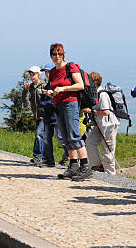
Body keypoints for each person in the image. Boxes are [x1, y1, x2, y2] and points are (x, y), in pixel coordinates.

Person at [45, 43, 92, 181]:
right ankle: (73, 167)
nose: (57, 56)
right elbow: (54, 87)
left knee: (74, 135)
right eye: (54, 54)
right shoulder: (53, 72)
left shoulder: (70, 67)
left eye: (59, 54)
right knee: (65, 137)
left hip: (71, 103)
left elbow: (80, 85)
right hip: (58, 104)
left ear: (63, 54)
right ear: (51, 56)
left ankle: (85, 166)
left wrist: (63, 89)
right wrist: (51, 92)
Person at [84, 72, 120, 174]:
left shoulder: (102, 94)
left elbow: (106, 112)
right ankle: (97, 166)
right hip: (99, 124)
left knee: (107, 150)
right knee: (90, 142)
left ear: (94, 82)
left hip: (109, 125)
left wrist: (92, 111)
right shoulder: (94, 93)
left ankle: (110, 174)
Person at [23, 65, 55, 166]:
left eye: (34, 74)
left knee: (39, 134)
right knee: (39, 135)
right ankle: (39, 156)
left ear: (39, 76)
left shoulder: (44, 85)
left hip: (44, 115)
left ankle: (39, 156)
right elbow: (25, 101)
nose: (32, 77)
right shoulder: (31, 87)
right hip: (36, 115)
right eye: (30, 75)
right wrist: (25, 90)